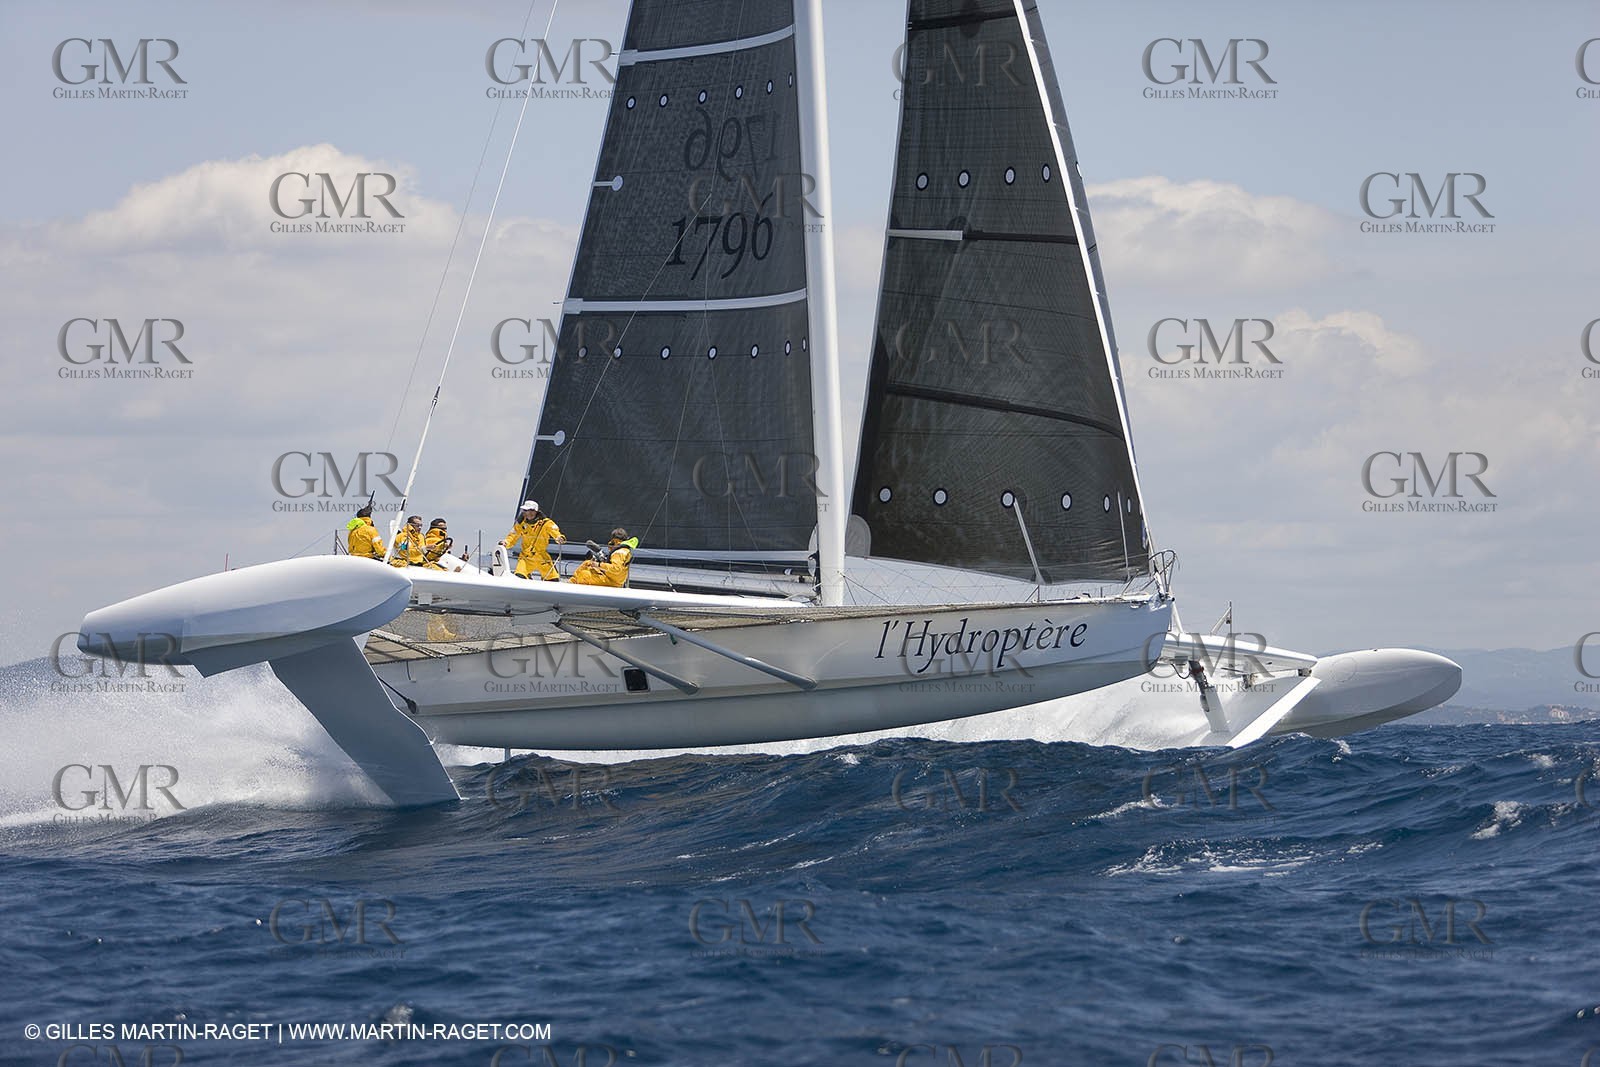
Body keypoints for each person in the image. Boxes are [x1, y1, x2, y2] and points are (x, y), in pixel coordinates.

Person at [499, 500, 565, 580]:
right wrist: (506, 543)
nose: (528, 513)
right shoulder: (521, 524)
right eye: (526, 511)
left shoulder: (546, 523)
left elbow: (554, 531)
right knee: (519, 577)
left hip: (542, 558)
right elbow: (512, 536)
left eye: (531, 511)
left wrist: (559, 538)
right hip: (526, 557)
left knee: (553, 580)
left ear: (536, 511)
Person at [570, 528, 638, 588]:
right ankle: (570, 583)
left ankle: (574, 590)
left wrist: (598, 565)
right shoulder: (622, 549)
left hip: (612, 581)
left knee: (584, 575)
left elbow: (616, 568)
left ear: (615, 540)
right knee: (587, 563)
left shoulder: (619, 552)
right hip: (611, 576)